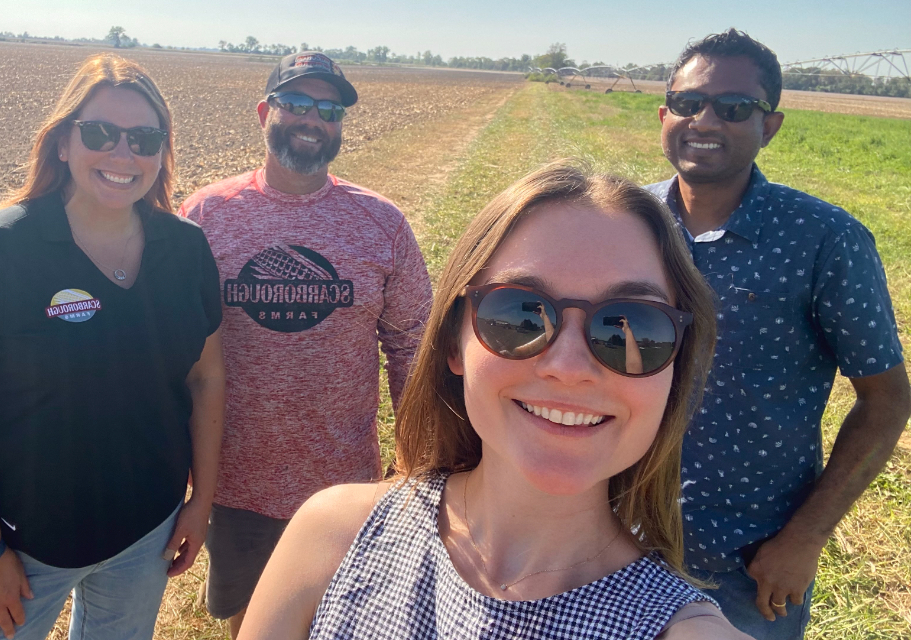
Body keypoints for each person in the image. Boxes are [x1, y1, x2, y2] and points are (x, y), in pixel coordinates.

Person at [239, 164, 751, 639]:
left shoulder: (683, 629)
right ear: (453, 344)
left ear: (675, 370)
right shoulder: (332, 534)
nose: (568, 368)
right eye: (520, 316)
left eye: (634, 326)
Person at [0, 53, 225, 640]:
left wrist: (200, 501)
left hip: (144, 537)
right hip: (19, 548)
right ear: (62, 143)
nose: (123, 154)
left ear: (163, 150)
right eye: (100, 133)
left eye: (145, 138)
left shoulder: (186, 250)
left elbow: (205, 378)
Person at [645, 29, 910, 638]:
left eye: (734, 108)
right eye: (688, 103)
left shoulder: (824, 239)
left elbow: (887, 397)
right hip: (609, 531)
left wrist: (806, 538)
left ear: (770, 126)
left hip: (748, 560)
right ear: (664, 115)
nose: (705, 120)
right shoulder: (627, 221)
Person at [177, 51, 433, 636]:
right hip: (236, 476)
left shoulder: (380, 222)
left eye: (329, 109)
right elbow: (173, 354)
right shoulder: (204, 217)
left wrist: (418, 457)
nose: (312, 120)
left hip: (343, 477)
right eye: (295, 104)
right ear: (265, 112)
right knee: (251, 621)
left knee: (337, 619)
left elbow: (413, 347)